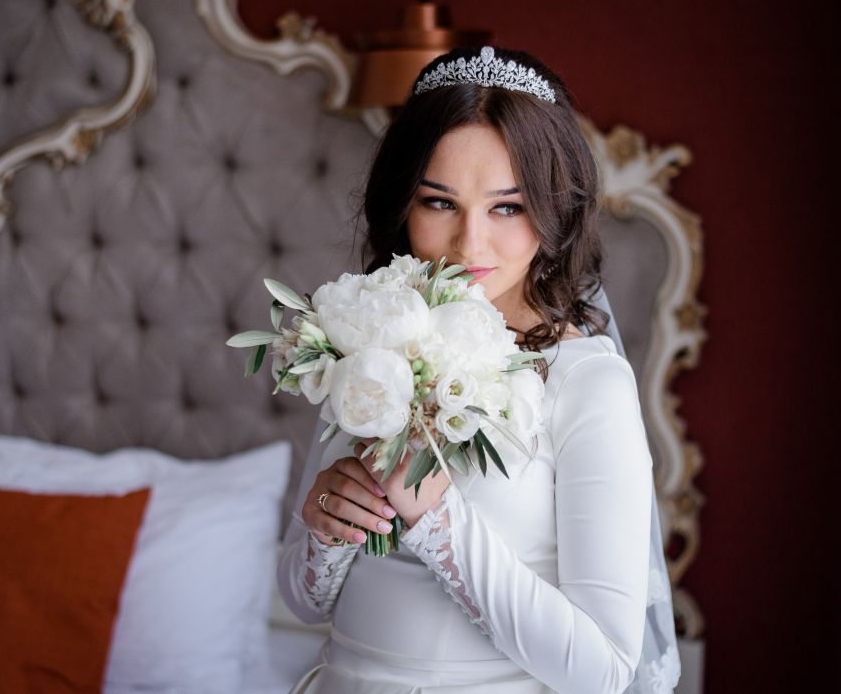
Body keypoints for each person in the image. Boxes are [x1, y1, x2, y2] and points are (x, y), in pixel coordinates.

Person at [277, 45, 681, 694]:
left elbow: (606, 669)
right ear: (403, 204)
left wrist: (438, 519)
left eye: (507, 207)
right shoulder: (371, 338)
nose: (470, 245)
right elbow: (306, 602)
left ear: (555, 212)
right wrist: (325, 527)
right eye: (439, 202)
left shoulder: (588, 383)